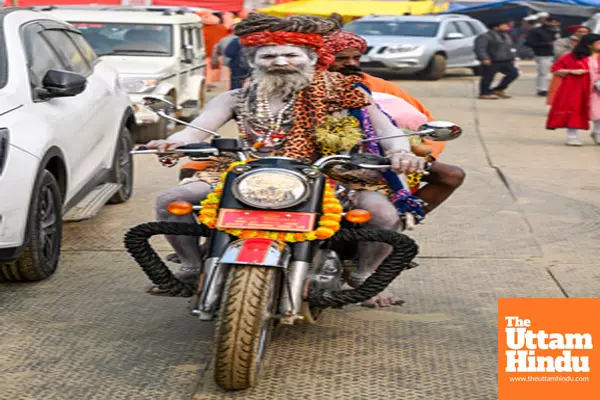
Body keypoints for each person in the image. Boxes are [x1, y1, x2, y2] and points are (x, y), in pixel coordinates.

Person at [145, 13, 429, 307]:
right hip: (248, 172)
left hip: (329, 174)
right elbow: (196, 130)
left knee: (384, 216)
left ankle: (365, 275)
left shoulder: (346, 93)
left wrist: (400, 153)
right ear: (253, 61)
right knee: (171, 200)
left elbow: (387, 131)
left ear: (311, 57)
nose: (280, 62)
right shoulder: (236, 98)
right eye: (269, 56)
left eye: (291, 54)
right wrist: (174, 143)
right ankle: (192, 266)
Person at [323, 31, 465, 216]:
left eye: (356, 57)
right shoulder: (307, 86)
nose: (350, 63)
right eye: (341, 58)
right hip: (321, 160)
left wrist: (419, 156)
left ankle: (404, 218)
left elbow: (423, 122)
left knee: (451, 175)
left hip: (378, 158)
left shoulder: (376, 86)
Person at [546, 33, 600, 146]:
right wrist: (572, 71)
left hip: (596, 90)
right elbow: (555, 69)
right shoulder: (571, 57)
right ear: (589, 45)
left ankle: (597, 132)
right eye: (598, 43)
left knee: (598, 112)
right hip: (577, 89)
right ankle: (572, 137)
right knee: (575, 112)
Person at [474, 20, 519, 100]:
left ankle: (498, 89)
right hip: (492, 60)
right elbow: (480, 49)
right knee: (488, 77)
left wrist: (513, 57)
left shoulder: (506, 35)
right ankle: (484, 93)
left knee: (513, 73)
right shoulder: (485, 36)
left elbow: (510, 47)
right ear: (495, 27)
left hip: (506, 60)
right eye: (504, 25)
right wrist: (484, 58)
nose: (506, 27)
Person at [547, 25, 591, 105]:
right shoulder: (561, 42)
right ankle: (557, 107)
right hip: (564, 69)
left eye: (585, 32)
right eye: (580, 31)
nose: (583, 34)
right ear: (573, 32)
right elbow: (560, 54)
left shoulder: (591, 43)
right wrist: (579, 51)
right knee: (559, 90)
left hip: (584, 70)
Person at [526, 16, 562, 96]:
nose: (555, 24)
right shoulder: (536, 31)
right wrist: (547, 44)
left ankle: (557, 88)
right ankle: (542, 90)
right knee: (543, 73)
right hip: (543, 54)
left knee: (558, 72)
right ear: (547, 22)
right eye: (553, 22)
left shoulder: (557, 31)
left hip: (557, 54)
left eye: (557, 23)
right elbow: (529, 43)